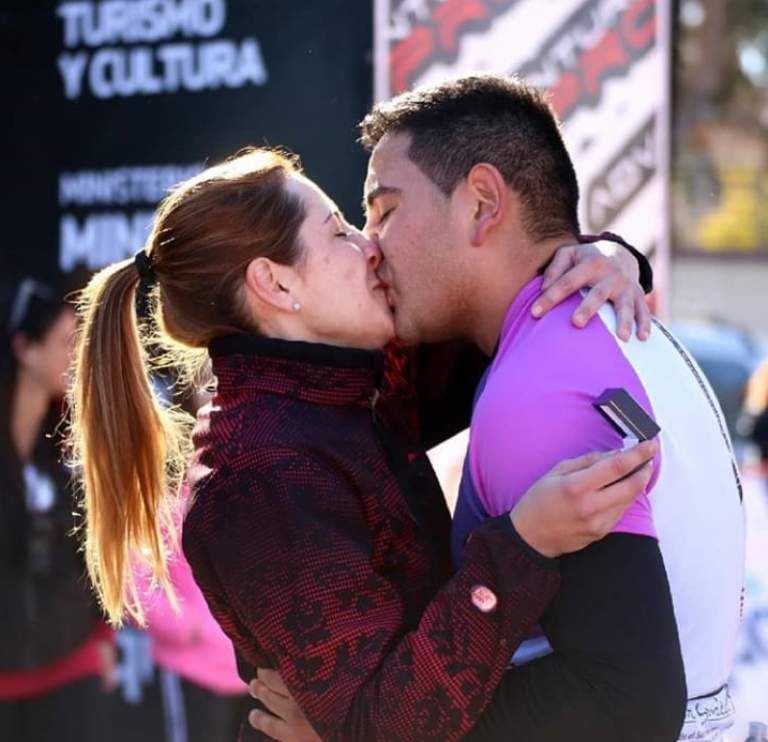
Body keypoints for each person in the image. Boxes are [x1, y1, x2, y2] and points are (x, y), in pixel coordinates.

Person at [66, 146, 657, 741]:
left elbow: (493, 297)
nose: (370, 245)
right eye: (339, 231)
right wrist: (526, 543)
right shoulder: (260, 477)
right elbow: (378, 723)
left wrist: (605, 257)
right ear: (274, 282)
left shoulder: (346, 387)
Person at [252, 74, 743, 742]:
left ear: (482, 203)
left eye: (384, 211)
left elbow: (624, 701)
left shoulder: (538, 386)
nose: (370, 247)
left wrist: (363, 731)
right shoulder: (608, 332)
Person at [0, 278, 114, 741]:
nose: (77, 355)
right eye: (67, 342)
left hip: (69, 659)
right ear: (25, 348)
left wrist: (103, 636)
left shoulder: (76, 439)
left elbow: (97, 546)